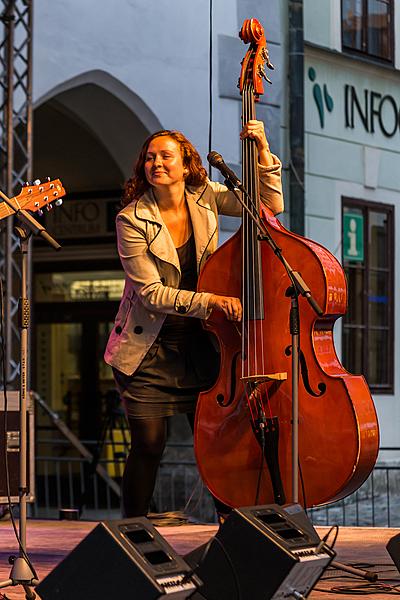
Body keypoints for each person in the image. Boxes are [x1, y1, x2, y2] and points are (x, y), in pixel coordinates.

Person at [104, 120, 284, 518]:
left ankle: (234, 528)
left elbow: (268, 207)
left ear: (187, 165)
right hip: (148, 348)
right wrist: (212, 301)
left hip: (201, 344)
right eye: (150, 158)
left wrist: (262, 152)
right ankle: (134, 532)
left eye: (166, 156)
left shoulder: (204, 197)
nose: (156, 163)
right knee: (149, 443)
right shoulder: (131, 219)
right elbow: (150, 294)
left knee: (214, 440)